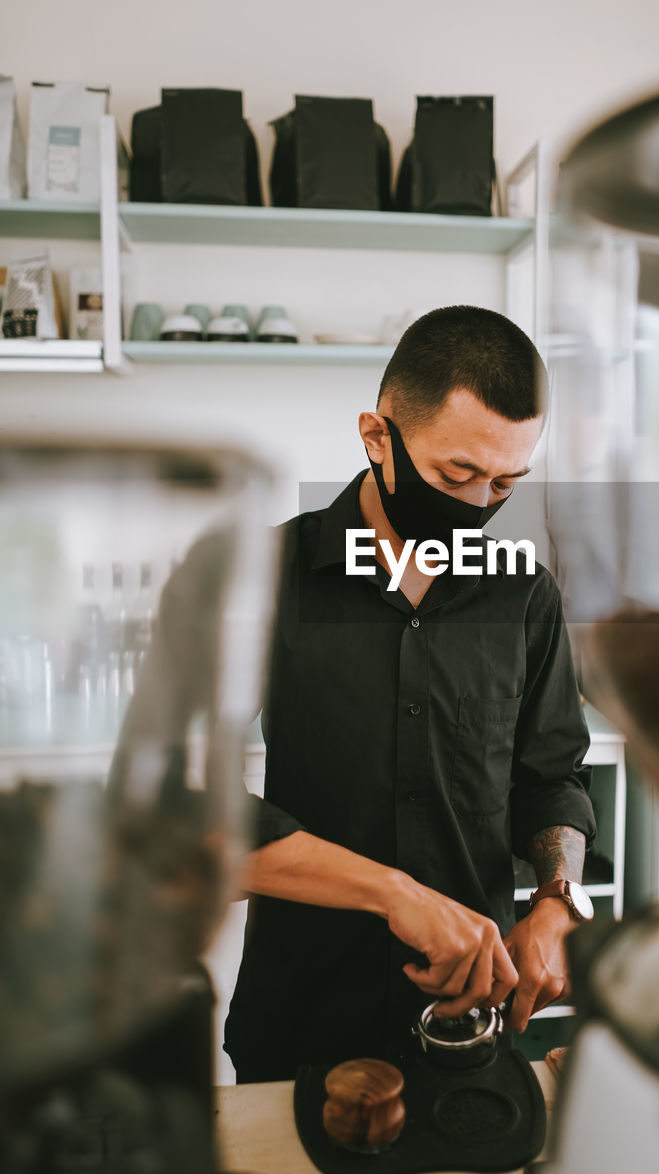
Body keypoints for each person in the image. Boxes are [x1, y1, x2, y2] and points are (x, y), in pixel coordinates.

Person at [224, 304, 596, 1081]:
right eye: (455, 474)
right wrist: (391, 892)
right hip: (304, 1013)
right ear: (376, 437)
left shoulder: (525, 596)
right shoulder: (257, 577)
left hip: (473, 1018)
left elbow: (552, 777)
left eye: (504, 482)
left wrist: (558, 902)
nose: (479, 502)